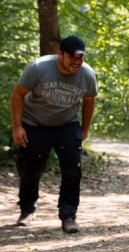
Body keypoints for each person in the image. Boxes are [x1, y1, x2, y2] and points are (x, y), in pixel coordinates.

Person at [10, 35, 97, 234]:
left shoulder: (87, 74)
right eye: (72, 59)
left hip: (67, 124)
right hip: (34, 123)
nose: (76, 64)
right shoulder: (39, 68)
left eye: (80, 60)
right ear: (60, 54)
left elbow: (89, 100)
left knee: (72, 169)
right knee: (30, 167)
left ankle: (68, 215)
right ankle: (27, 209)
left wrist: (84, 129)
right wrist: (17, 127)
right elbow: (17, 94)